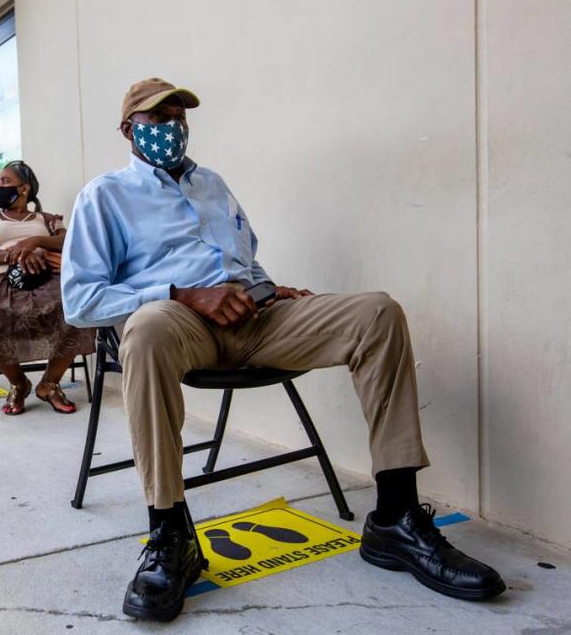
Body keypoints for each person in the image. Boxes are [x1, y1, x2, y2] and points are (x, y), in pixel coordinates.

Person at [61, 78, 505, 622]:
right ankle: (170, 534)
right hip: (179, 325)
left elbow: (244, 260)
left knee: (377, 312)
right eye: (157, 120)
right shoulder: (104, 196)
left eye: (178, 116)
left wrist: (268, 289)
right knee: (148, 328)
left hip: (255, 318)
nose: (172, 127)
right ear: (129, 129)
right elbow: (81, 300)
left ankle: (394, 516)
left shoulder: (214, 185)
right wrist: (182, 294)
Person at [0, 161, 95, 415]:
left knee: (76, 307)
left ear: (24, 189)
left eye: (5, 181)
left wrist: (36, 241)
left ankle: (49, 383)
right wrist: (17, 254)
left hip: (43, 278)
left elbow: (69, 242)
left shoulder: (47, 219)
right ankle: (18, 383)